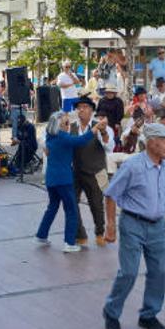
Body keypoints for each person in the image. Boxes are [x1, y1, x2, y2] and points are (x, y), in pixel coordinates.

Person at [102, 123, 165, 329]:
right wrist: (111, 226)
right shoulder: (133, 165)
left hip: (158, 226)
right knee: (129, 272)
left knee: (159, 272)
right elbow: (111, 194)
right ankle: (111, 312)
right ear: (152, 143)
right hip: (133, 224)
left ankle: (148, 315)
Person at [35, 111, 96, 253]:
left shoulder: (50, 136)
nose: (69, 125)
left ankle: (41, 235)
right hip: (63, 179)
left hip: (51, 179)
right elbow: (80, 141)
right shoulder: (63, 137)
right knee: (71, 210)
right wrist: (94, 129)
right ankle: (69, 242)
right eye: (67, 123)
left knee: (52, 207)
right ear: (59, 125)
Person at [70, 96, 115, 247]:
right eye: (79, 107)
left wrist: (103, 133)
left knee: (97, 205)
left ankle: (99, 233)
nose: (81, 110)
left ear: (91, 110)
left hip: (96, 171)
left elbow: (110, 147)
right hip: (76, 171)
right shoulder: (71, 126)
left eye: (85, 107)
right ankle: (80, 233)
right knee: (71, 203)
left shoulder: (102, 126)